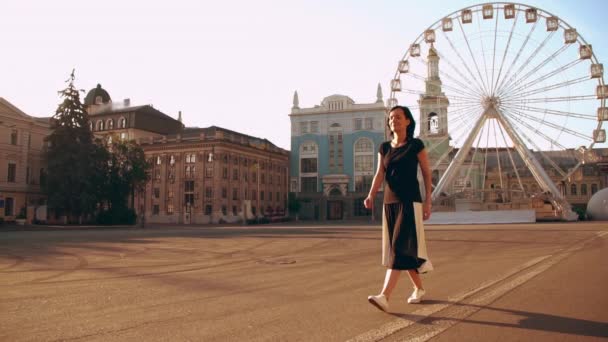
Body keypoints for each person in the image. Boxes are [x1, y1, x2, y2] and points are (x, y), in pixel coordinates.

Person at [365, 105, 433, 312]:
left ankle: (384, 296)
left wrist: (428, 200)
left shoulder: (415, 145)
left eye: (398, 117)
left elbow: (427, 174)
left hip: (410, 202)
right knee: (402, 249)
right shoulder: (384, 148)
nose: (394, 120)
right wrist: (371, 194)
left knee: (397, 247)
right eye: (391, 118)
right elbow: (379, 174)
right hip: (390, 203)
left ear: (408, 121)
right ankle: (419, 289)